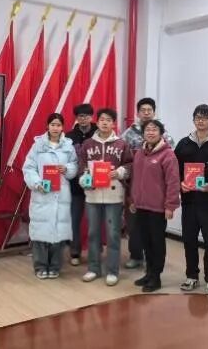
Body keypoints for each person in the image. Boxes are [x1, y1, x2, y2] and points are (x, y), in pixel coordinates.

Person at [174, 104, 208, 295]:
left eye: (204, 118)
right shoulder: (183, 144)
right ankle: (191, 276)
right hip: (189, 200)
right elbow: (174, 170)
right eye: (197, 117)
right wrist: (180, 183)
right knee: (189, 239)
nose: (200, 120)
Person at [78, 108, 133, 286]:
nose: (104, 122)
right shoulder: (87, 144)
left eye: (108, 120)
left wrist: (119, 172)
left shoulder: (121, 144)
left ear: (113, 123)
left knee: (113, 234)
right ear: (97, 121)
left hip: (113, 195)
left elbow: (130, 164)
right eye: (102, 119)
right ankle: (94, 268)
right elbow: (81, 166)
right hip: (92, 195)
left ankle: (112, 271)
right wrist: (84, 180)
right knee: (93, 233)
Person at [23, 113, 78, 279]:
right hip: (42, 194)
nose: (55, 128)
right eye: (53, 124)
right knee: (40, 232)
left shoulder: (68, 146)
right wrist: (37, 183)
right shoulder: (38, 145)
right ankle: (40, 266)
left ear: (62, 127)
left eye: (58, 125)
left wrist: (67, 169)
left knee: (58, 232)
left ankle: (55, 266)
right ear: (47, 126)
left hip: (61, 195)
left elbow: (75, 165)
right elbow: (29, 168)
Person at [121, 97, 174, 270]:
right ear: (137, 113)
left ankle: (154, 267)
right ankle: (136, 256)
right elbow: (122, 158)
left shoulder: (164, 135)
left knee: (154, 232)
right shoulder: (128, 134)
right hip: (135, 187)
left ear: (154, 112)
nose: (146, 113)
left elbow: (171, 164)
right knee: (134, 225)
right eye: (142, 110)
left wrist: (170, 203)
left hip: (156, 190)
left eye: (149, 110)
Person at [129, 120, 180, 292]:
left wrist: (170, 206)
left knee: (157, 243)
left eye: (154, 130)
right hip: (141, 206)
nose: (150, 132)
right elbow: (135, 179)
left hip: (158, 208)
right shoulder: (139, 153)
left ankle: (156, 277)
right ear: (143, 133)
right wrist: (133, 200)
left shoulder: (168, 155)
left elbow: (173, 182)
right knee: (145, 241)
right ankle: (148, 273)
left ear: (161, 133)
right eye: (147, 130)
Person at [65, 103, 98, 266]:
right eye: (80, 116)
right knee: (74, 220)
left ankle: (95, 252)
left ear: (92, 117)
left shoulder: (99, 133)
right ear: (76, 118)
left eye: (86, 116)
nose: (83, 119)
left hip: (96, 185)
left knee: (95, 221)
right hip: (75, 186)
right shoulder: (69, 136)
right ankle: (75, 252)